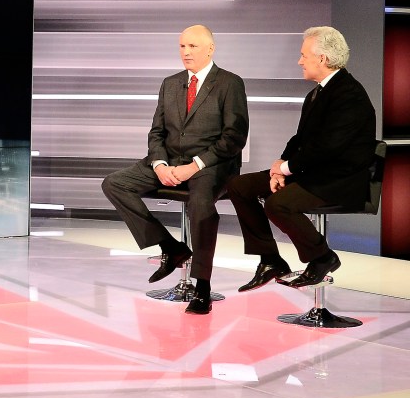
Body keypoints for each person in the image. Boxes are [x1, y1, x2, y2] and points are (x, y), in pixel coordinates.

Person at [102, 25, 249, 314]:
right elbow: (156, 132)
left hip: (212, 164)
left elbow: (234, 138)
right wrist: (159, 164)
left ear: (210, 48)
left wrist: (193, 167)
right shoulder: (170, 83)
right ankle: (170, 246)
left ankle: (202, 286)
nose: (186, 52)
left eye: (193, 46)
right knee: (114, 183)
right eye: (182, 46)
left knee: (201, 203)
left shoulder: (230, 83)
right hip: (169, 162)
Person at [227, 26, 376, 291]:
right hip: (312, 172)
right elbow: (300, 140)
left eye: (304, 55)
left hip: (339, 181)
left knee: (277, 204)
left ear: (323, 58)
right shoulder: (317, 92)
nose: (299, 61)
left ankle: (323, 257)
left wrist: (287, 168)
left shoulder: (349, 95)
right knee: (239, 187)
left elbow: (328, 148)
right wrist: (279, 168)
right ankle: (271, 260)